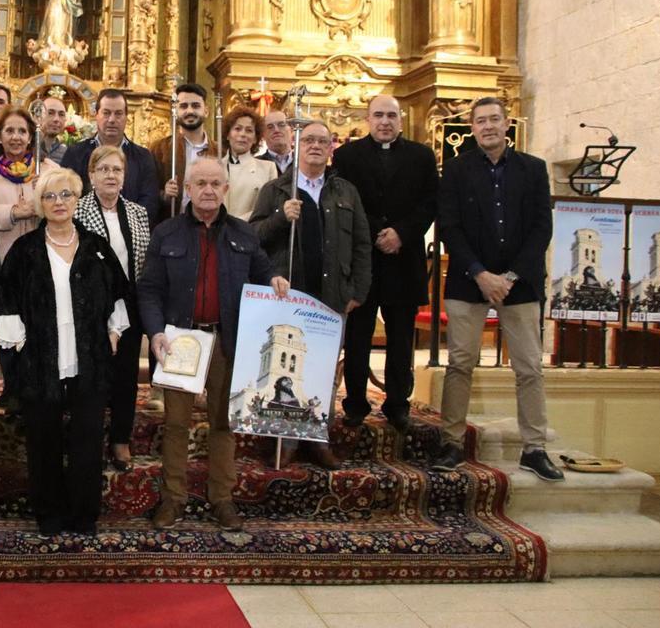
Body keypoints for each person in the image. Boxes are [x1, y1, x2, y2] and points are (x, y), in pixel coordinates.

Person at [138, 157, 290, 531]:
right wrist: (155, 332)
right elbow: (150, 290)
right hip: (180, 342)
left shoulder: (244, 233)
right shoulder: (166, 233)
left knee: (224, 423)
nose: (208, 190)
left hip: (227, 341)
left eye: (215, 184)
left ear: (226, 189)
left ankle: (221, 499)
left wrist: (275, 279)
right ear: (188, 188)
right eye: (200, 183)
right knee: (176, 425)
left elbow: (262, 268)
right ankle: (173, 499)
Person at [432, 98, 562, 481]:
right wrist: (481, 274)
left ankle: (534, 448)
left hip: (519, 284)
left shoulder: (533, 169)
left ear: (508, 125)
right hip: (468, 280)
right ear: (471, 128)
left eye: (495, 119)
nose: (488, 126)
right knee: (460, 364)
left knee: (529, 366)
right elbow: (449, 226)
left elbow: (542, 226)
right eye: (480, 121)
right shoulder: (455, 170)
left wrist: (511, 277)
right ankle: (452, 442)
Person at [0, 168, 130, 535]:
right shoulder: (24, 251)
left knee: (87, 439)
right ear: (40, 204)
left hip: (89, 358)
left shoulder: (96, 247)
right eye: (51, 197)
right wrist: (17, 353)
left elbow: (117, 293)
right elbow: (6, 302)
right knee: (44, 439)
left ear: (77, 199)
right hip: (40, 359)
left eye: (66, 195)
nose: (59, 203)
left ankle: (84, 513)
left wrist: (114, 329)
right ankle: (49, 513)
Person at [249, 120, 372, 469]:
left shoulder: (345, 191)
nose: (316, 146)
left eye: (323, 140)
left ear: (332, 147)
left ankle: (317, 438)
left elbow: (362, 244)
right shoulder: (276, 190)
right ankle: (284, 442)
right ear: (297, 146)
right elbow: (254, 238)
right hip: (291, 298)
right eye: (309, 141)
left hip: (333, 297)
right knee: (286, 372)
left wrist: (358, 291)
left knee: (322, 372)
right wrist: (280, 218)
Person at [331, 95, 437, 433]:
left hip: (404, 259)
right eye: (378, 115)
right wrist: (378, 232)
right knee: (358, 336)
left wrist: (402, 233)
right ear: (368, 119)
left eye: (391, 115)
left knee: (401, 339)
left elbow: (430, 202)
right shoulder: (347, 156)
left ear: (401, 120)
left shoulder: (421, 156)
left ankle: (397, 405)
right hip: (363, 258)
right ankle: (356, 405)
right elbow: (345, 200)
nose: (385, 121)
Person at [73, 145, 151, 472]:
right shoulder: (75, 211)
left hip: (130, 304)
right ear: (91, 175)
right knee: (91, 375)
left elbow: (143, 262)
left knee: (126, 375)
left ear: (124, 176)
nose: (110, 175)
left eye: (116, 170)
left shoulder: (138, 212)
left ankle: (120, 439)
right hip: (90, 306)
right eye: (103, 169)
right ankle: (85, 438)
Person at [0, 104, 60, 260]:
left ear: (30, 137)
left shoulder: (50, 170)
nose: (16, 137)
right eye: (9, 131)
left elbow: (68, 206)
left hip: (44, 258)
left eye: (22, 131)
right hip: (2, 259)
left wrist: (47, 197)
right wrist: (13, 213)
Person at [62, 88, 161, 224]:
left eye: (118, 114)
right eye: (106, 113)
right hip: (84, 233)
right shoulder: (75, 153)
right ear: (96, 115)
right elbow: (66, 195)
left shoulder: (143, 157)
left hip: (131, 233)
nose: (112, 119)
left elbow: (149, 201)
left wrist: (126, 227)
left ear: (127, 117)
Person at [150, 83, 219, 219]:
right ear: (175, 111)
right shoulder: (159, 149)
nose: (189, 111)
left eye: (195, 106)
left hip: (209, 227)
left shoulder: (219, 151)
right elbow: (148, 191)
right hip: (172, 226)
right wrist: (164, 195)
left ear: (206, 111)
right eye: (183, 106)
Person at [221, 106, 278, 221]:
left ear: (255, 139)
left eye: (249, 130)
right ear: (228, 135)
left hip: (251, 231)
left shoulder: (268, 168)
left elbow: (269, 206)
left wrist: (236, 223)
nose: (243, 134)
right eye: (237, 129)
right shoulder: (214, 167)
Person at [257, 109, 295, 174]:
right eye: (270, 127)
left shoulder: (304, 163)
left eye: (281, 125)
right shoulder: (256, 164)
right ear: (263, 134)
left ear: (291, 130)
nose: (276, 130)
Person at [39, 96, 69, 164]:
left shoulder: (67, 154)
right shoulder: (26, 149)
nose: (56, 119)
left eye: (61, 114)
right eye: (50, 113)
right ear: (38, 116)